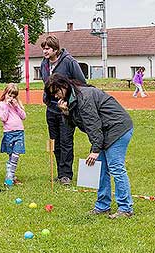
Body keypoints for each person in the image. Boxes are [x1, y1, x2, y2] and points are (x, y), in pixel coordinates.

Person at [45, 73, 134, 219]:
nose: (55, 96)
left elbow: (93, 124)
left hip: (118, 128)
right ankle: (102, 206)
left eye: (56, 92)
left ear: (64, 86)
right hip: (105, 131)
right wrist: (66, 113)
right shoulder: (71, 98)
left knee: (116, 168)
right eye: (52, 94)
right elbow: (73, 125)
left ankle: (125, 208)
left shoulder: (84, 97)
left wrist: (95, 150)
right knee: (100, 169)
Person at [40, 35, 86, 185]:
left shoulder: (69, 62)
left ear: (55, 49)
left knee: (66, 141)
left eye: (47, 49)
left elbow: (81, 83)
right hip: (51, 108)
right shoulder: (44, 64)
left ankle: (66, 175)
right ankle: (60, 172)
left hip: (66, 109)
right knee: (55, 142)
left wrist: (68, 99)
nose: (45, 52)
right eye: (44, 49)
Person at [0, 83, 26, 186]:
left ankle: (9, 177)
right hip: (9, 133)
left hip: (19, 132)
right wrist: (7, 105)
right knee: (11, 156)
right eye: (10, 95)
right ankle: (11, 177)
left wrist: (16, 105)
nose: (11, 97)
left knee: (16, 155)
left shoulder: (17, 104)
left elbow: (23, 116)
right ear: (5, 93)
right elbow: (4, 118)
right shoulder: (0, 105)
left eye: (14, 96)